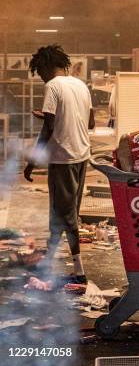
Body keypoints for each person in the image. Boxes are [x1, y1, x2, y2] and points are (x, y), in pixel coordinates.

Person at [24, 44, 94, 284]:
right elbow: (91, 122)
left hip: (63, 158)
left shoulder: (52, 86)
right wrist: (55, 116)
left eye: (40, 71)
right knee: (61, 213)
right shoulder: (80, 84)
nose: (40, 76)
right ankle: (49, 262)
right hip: (82, 156)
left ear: (44, 65)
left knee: (67, 216)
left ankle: (79, 271)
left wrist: (32, 162)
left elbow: (49, 129)